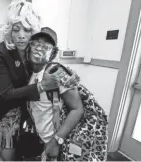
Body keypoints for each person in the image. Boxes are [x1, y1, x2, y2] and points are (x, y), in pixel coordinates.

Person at [0, 0, 68, 161]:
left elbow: (47, 64)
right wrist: (41, 86)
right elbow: (5, 93)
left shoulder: (33, 51)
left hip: (15, 110)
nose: (21, 35)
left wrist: (66, 73)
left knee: (8, 152)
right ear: (9, 31)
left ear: (33, 32)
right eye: (16, 29)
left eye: (27, 30)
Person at [20, 27, 108, 161]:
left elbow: (77, 109)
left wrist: (56, 141)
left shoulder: (57, 72)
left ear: (53, 52)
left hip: (60, 142)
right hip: (44, 138)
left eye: (46, 46)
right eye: (36, 43)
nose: (39, 48)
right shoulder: (31, 73)